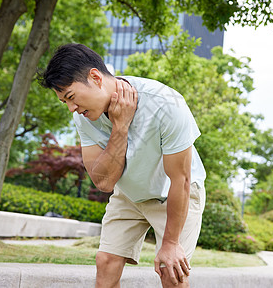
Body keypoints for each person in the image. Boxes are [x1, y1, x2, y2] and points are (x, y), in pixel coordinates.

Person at [39, 43, 206, 288]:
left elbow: (180, 179)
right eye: (65, 102)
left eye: (71, 97)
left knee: (171, 272)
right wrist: (120, 127)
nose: (71, 108)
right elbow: (104, 182)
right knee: (106, 262)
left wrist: (171, 244)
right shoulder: (83, 117)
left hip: (173, 193)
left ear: (95, 77)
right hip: (129, 194)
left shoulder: (166, 103)